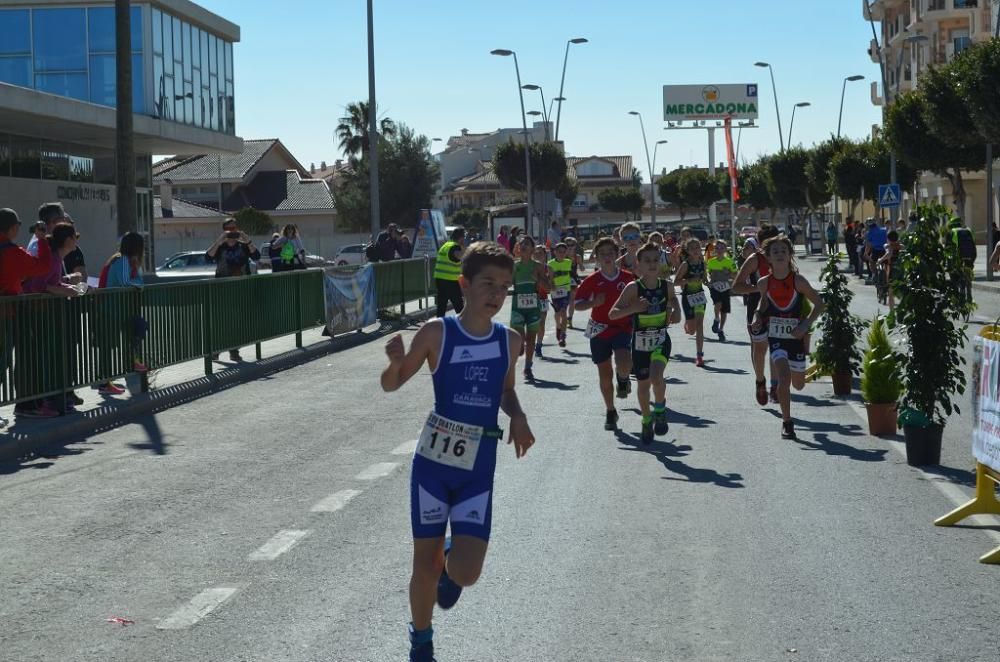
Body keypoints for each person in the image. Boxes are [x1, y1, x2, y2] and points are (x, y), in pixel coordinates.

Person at [380, 241, 535, 662]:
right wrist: (395, 363)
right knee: (423, 564)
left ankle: (451, 556)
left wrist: (517, 416)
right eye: (488, 284)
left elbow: (505, 392)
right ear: (464, 284)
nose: (497, 294)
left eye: (504, 287)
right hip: (432, 466)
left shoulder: (512, 341)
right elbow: (392, 384)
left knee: (465, 573)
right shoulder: (437, 332)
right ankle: (421, 642)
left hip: (477, 470)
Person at [751, 234, 824, 440]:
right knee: (784, 379)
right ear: (768, 258)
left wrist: (805, 324)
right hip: (777, 339)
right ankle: (787, 422)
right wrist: (758, 316)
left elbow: (819, 304)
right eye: (775, 252)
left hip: (796, 337)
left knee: (798, 384)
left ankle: (798, 376)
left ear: (790, 255)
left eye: (784, 251)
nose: (780, 254)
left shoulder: (798, 281)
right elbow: (763, 304)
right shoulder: (764, 283)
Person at [609, 242, 680, 444]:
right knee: (643, 385)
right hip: (640, 344)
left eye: (656, 260)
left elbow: (673, 300)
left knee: (657, 376)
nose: (652, 264)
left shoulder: (666, 285)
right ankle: (646, 419)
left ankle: (660, 411)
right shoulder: (633, 288)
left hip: (660, 339)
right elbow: (613, 314)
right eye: (647, 261)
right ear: (638, 264)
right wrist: (633, 309)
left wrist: (677, 311)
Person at [22, 222, 85, 416]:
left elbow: (51, 283)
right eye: (75, 237)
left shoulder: (56, 258)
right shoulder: (52, 258)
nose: (76, 241)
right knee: (44, 358)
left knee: (49, 356)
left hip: (43, 312)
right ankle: (46, 401)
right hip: (36, 312)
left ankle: (52, 399)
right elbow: (40, 286)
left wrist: (70, 286)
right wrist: (68, 290)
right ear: (67, 240)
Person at [575, 237, 635, 431]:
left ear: (617, 255)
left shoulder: (627, 278)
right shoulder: (591, 280)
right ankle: (610, 410)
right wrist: (593, 303)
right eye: (603, 254)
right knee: (604, 373)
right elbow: (577, 304)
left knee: (624, 361)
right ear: (597, 258)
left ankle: (624, 379)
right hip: (599, 329)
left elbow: (638, 298)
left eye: (611, 252)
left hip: (622, 327)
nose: (607, 256)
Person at [732, 224, 781, 405]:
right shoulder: (754, 260)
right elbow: (736, 286)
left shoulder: (784, 257)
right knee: (759, 349)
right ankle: (760, 381)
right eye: (767, 243)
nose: (773, 247)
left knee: (777, 347)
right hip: (757, 308)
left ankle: (775, 386)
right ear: (760, 243)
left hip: (780, 307)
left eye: (775, 242)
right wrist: (758, 289)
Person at [206, 219, 260, 361]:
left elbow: (256, 256)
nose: (232, 232)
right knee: (221, 321)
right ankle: (216, 350)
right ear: (224, 230)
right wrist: (219, 241)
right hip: (222, 290)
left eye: (234, 228)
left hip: (241, 289)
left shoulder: (243, 246)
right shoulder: (221, 247)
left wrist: (248, 240)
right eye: (228, 229)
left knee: (238, 322)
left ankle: (234, 351)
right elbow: (208, 256)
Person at [99, 232, 149, 378]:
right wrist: (140, 285)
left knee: (139, 326)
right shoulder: (122, 260)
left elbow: (137, 280)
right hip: (112, 309)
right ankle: (105, 380)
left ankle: (133, 362)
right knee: (108, 346)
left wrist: (139, 283)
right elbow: (126, 283)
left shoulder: (128, 261)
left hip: (121, 309)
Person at [510, 235, 550, 379]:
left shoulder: (538, 266)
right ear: (518, 248)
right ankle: (520, 345)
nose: (524, 246)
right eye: (521, 244)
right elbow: (507, 283)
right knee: (519, 337)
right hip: (517, 306)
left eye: (527, 244)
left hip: (534, 307)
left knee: (531, 339)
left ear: (533, 248)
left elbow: (549, 287)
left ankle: (528, 367)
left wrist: (538, 279)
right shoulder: (514, 266)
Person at [673, 237, 708, 367]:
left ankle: (699, 355)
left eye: (697, 247)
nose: (695, 250)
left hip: (699, 296)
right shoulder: (685, 264)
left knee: (700, 326)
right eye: (692, 248)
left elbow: (704, 279)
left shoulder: (703, 263)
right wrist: (688, 281)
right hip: (687, 296)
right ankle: (688, 323)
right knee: (692, 331)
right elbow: (676, 282)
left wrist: (710, 283)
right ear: (687, 251)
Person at [706, 240, 737, 342]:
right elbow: (707, 274)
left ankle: (721, 329)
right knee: (717, 304)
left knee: (724, 310)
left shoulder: (730, 261)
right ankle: (716, 319)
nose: (719, 250)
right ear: (714, 250)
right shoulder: (711, 262)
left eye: (721, 248)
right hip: (715, 287)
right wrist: (708, 283)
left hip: (726, 287)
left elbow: (735, 275)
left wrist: (727, 273)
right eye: (717, 248)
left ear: (725, 249)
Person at [434, 227, 466, 318]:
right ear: (461, 238)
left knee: (441, 306)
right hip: (450, 280)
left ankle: (439, 327)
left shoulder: (445, 245)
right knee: (459, 306)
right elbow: (461, 257)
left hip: (439, 279)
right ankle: (463, 327)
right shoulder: (455, 247)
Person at [548, 243, 573, 348]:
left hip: (566, 290)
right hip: (555, 291)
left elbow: (571, 274)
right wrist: (552, 285)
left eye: (563, 252)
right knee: (557, 313)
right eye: (559, 252)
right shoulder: (550, 263)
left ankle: (563, 336)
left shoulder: (569, 262)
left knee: (563, 312)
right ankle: (558, 327)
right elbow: (550, 277)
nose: (561, 254)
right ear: (555, 252)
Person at [949, 216, 977, 306]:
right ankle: (969, 294)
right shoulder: (968, 230)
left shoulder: (953, 232)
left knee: (954, 274)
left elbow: (948, 249)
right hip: (971, 256)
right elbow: (973, 244)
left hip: (959, 257)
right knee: (968, 274)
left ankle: (956, 296)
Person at [532, 244, 552, 358]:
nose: (538, 255)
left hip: (543, 298)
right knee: (531, 324)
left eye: (540, 253)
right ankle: (531, 342)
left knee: (541, 323)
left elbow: (550, 287)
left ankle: (538, 345)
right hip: (530, 298)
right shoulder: (529, 267)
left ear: (545, 255)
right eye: (536, 253)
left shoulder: (548, 268)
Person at [877, 230, 903, 312]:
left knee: (891, 292)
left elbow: (889, 254)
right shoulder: (902, 246)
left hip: (892, 270)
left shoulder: (887, 246)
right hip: (902, 270)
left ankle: (891, 312)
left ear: (888, 239)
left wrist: (880, 260)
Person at [564, 235, 583, 327]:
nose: (570, 247)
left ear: (575, 246)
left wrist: (580, 264)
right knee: (564, 301)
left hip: (573, 279)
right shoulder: (562, 256)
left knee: (572, 300)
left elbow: (582, 269)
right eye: (568, 245)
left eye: (572, 245)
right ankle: (563, 318)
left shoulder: (577, 257)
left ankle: (569, 318)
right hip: (563, 280)